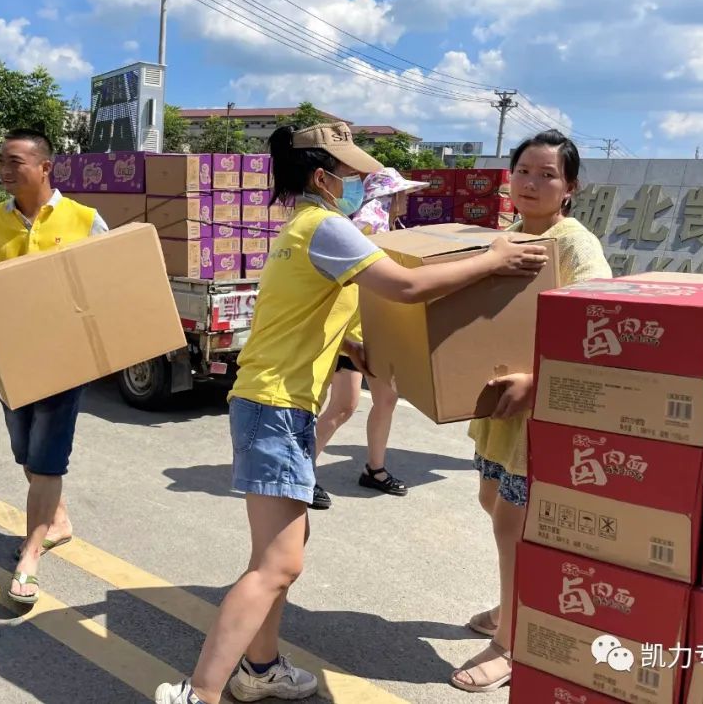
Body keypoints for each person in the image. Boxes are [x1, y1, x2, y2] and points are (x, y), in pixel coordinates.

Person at [155, 122, 549, 704]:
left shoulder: (301, 226)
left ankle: (259, 670)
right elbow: (407, 287)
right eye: (353, 175)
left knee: (280, 556)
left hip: (272, 401)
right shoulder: (327, 227)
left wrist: (348, 345)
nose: (362, 185)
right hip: (275, 406)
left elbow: (300, 311)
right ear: (323, 178)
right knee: (277, 565)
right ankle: (200, 693)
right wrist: (492, 259)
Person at [451, 129, 612, 694]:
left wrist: (540, 381)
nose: (532, 183)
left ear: (570, 188)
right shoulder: (509, 237)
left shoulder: (573, 244)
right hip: (500, 407)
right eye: (523, 170)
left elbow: (600, 320)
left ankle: (511, 645)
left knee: (511, 522)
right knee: (491, 500)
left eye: (548, 175)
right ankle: (512, 603)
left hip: (542, 408)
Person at [0, 128, 108, 606]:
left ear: (44, 167)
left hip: (63, 359)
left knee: (46, 459)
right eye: (1, 160)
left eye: (14, 161)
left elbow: (108, 283)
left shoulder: (84, 219)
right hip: (9, 356)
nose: (4, 169)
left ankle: (30, 556)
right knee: (25, 450)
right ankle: (57, 521)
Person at [311, 167, 424, 508]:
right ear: (390, 195)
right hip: (353, 333)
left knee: (385, 400)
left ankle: (374, 469)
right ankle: (301, 473)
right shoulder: (368, 227)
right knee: (343, 406)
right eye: (403, 193)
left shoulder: (387, 226)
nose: (407, 199)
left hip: (377, 332)